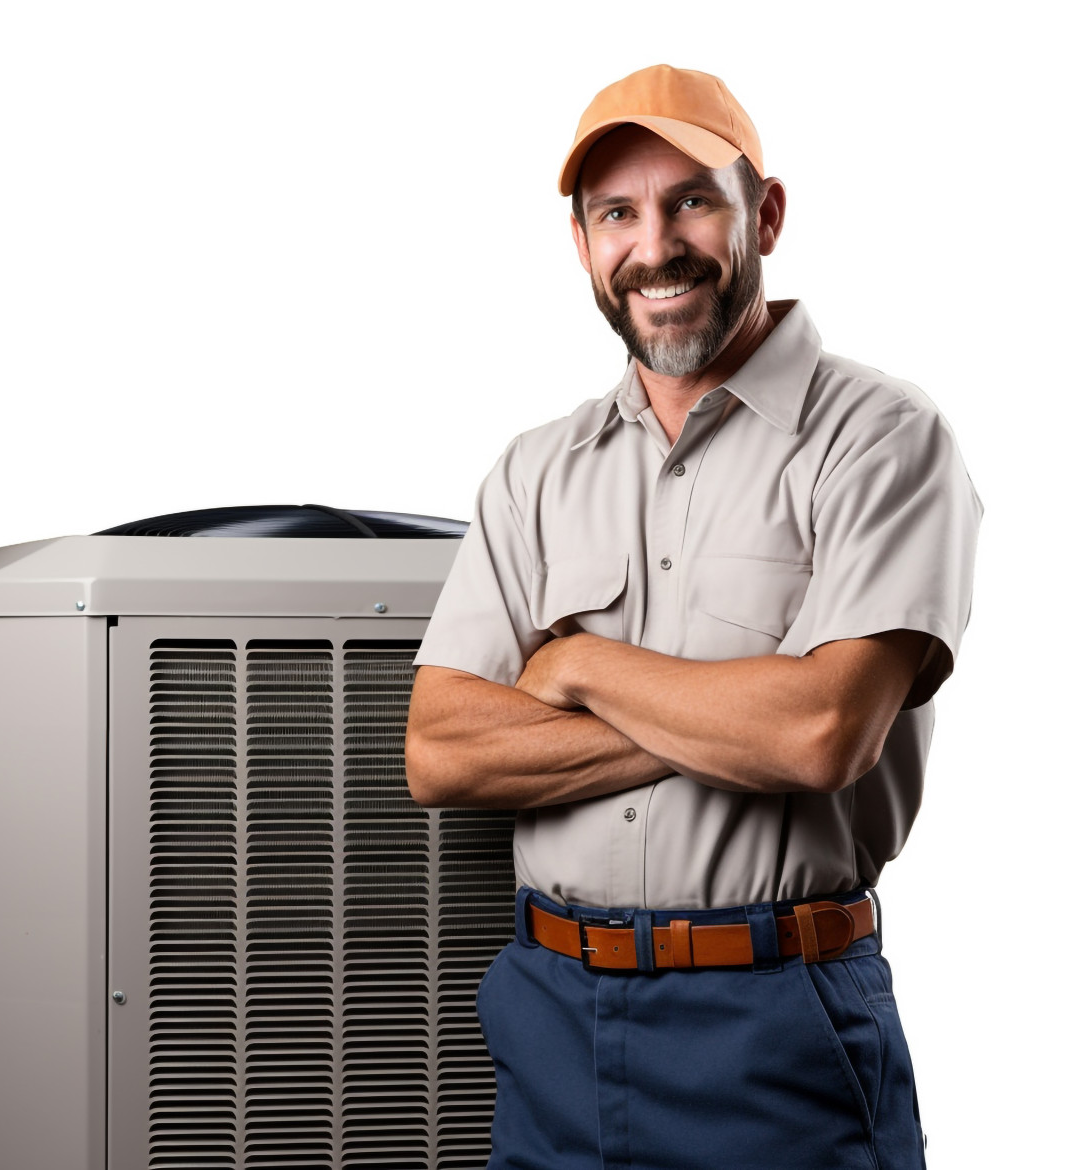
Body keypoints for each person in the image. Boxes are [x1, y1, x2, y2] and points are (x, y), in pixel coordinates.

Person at [403, 64, 982, 1169]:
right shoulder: (533, 472)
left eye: (692, 201)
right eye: (616, 213)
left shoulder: (880, 439)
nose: (654, 244)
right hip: (550, 1019)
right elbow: (439, 752)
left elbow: (821, 732)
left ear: (765, 214)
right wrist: (734, 718)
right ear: (582, 244)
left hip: (777, 1024)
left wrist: (576, 666)